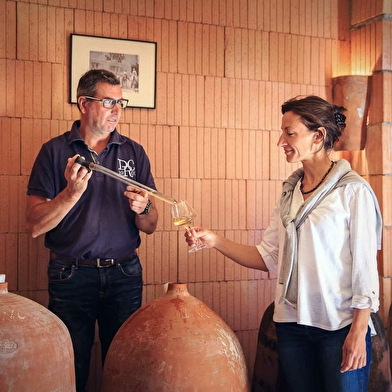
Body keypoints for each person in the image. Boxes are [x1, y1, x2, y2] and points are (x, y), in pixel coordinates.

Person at [185, 95, 382, 392]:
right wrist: (213, 240)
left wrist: (358, 331)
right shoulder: (289, 192)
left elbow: (365, 268)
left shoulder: (353, 192)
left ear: (318, 137)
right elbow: (268, 257)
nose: (281, 141)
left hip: (338, 327)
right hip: (292, 325)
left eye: (289, 133)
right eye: (282, 132)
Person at [26, 69, 158, 392]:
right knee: (72, 368)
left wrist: (146, 209)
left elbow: (151, 226)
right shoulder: (54, 152)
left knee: (125, 367)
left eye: (121, 102)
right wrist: (70, 194)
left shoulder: (133, 152)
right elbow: (34, 225)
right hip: (71, 276)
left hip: (125, 275)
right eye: (109, 102)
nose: (118, 111)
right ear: (83, 104)